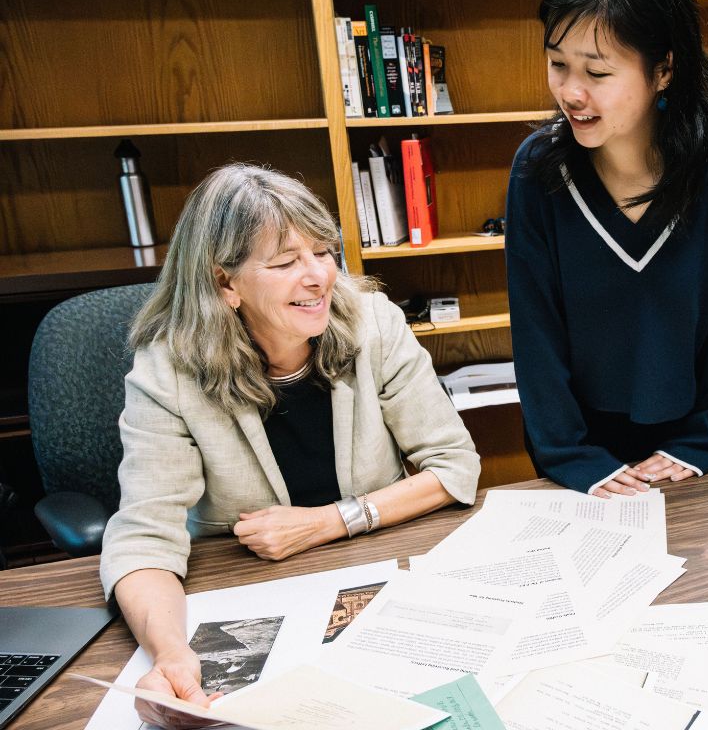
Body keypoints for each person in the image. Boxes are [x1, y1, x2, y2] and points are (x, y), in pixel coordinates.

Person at [100, 164, 481, 727]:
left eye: (324, 251)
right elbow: (143, 540)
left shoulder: (372, 321)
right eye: (284, 263)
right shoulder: (169, 371)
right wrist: (173, 654)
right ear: (225, 284)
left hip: (375, 585)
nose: (319, 277)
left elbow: (454, 466)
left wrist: (331, 521)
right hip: (250, 592)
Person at [506, 0, 708, 497]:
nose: (571, 93)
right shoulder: (538, 170)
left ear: (665, 69)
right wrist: (573, 457)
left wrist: (701, 442)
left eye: (598, 73)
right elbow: (535, 333)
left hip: (688, 453)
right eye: (558, 64)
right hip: (577, 457)